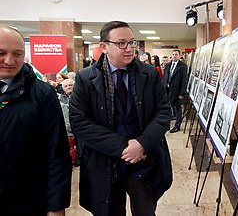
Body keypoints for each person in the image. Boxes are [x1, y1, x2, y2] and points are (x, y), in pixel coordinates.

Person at [69, 21, 171, 216]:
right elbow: (80, 122)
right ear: (104, 47)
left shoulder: (148, 74)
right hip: (105, 163)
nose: (130, 48)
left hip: (143, 161)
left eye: (132, 42)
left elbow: (164, 112)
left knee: (145, 210)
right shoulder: (85, 78)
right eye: (122, 43)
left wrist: (141, 144)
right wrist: (125, 147)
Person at [0, 25, 71, 215]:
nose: (9, 60)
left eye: (17, 54)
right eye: (1, 53)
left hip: (27, 199)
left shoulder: (41, 93)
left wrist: (56, 207)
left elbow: (56, 152)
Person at [162, 49, 188, 133]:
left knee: (177, 109)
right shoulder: (168, 65)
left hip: (177, 90)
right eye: (173, 54)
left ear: (179, 56)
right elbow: (165, 78)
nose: (174, 56)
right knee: (168, 108)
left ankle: (177, 126)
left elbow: (184, 80)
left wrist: (182, 93)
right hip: (168, 90)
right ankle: (167, 125)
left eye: (176, 54)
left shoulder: (183, 66)